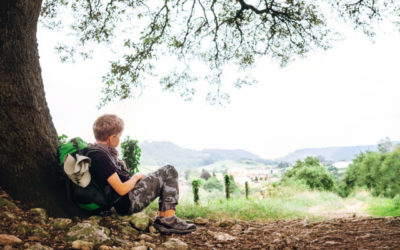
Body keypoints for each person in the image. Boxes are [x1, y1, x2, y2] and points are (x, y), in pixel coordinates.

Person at [88, 114, 196, 234]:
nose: (119, 139)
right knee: (169, 171)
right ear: (112, 137)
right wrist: (136, 177)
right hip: (126, 203)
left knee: (162, 174)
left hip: (124, 199)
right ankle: (169, 220)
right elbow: (121, 189)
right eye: (119, 136)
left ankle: (163, 219)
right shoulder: (100, 156)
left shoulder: (100, 152)